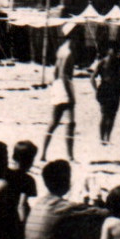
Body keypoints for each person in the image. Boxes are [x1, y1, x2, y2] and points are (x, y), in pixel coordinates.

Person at [23, 159, 110, 239]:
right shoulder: (63, 206)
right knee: (91, 220)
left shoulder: (40, 203)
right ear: (66, 182)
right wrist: (98, 200)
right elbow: (102, 213)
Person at [41, 30, 77, 161]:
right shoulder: (69, 53)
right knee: (70, 123)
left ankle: (43, 153)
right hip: (65, 86)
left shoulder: (61, 50)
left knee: (53, 122)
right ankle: (70, 155)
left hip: (57, 86)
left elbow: (55, 72)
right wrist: (70, 95)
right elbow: (64, 75)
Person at [91, 49, 120, 145]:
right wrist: (96, 89)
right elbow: (92, 78)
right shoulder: (103, 62)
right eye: (115, 53)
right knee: (105, 115)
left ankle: (107, 138)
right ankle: (102, 138)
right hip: (105, 90)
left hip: (114, 91)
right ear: (109, 52)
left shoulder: (116, 62)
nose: (116, 55)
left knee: (112, 116)